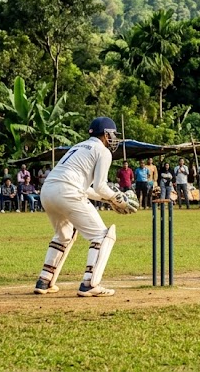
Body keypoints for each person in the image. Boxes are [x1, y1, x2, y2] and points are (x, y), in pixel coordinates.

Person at [33, 116, 138, 297]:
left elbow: (86, 188)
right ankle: (90, 284)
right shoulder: (103, 152)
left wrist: (110, 200)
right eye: (112, 134)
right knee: (102, 235)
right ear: (106, 134)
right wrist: (116, 197)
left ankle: (44, 280)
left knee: (64, 234)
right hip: (68, 192)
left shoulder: (78, 146)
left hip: (48, 191)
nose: (114, 139)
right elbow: (100, 186)